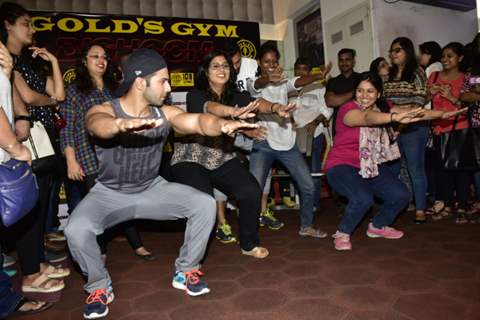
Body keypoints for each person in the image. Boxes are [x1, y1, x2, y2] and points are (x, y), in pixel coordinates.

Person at [64, 48, 259, 319]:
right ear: (140, 82)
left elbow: (197, 121)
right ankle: (98, 286)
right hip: (108, 193)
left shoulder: (164, 113)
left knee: (203, 204)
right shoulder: (104, 108)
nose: (168, 88)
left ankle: (186, 269)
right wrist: (120, 125)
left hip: (151, 189)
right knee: (75, 229)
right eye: (163, 81)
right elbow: (97, 124)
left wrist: (222, 125)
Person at [171, 50, 293, 258]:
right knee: (203, 203)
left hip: (221, 156)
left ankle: (248, 244)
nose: (221, 69)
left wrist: (276, 107)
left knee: (251, 191)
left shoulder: (237, 95)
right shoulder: (196, 95)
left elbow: (256, 103)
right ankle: (189, 258)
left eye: (225, 66)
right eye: (215, 66)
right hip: (191, 157)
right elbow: (211, 108)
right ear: (206, 72)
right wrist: (233, 113)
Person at [325, 72, 465, 251]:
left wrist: (442, 114)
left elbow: (414, 113)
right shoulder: (347, 109)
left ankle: (377, 226)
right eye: (360, 91)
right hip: (341, 166)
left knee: (401, 195)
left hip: (369, 165)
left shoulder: (384, 107)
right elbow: (367, 118)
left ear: (379, 93)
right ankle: (343, 233)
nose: (364, 95)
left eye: (370, 91)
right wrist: (393, 118)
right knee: (363, 198)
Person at [60, 43, 154, 261]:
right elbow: (67, 128)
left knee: (125, 201)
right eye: (95, 56)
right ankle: (100, 251)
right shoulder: (74, 90)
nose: (101, 60)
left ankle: (137, 245)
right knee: (99, 206)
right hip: (88, 156)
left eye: (104, 56)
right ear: (84, 61)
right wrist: (71, 160)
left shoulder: (116, 89)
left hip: (118, 155)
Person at [1, 1, 69, 294]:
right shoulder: (8, 60)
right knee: (28, 203)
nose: (32, 28)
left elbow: (57, 94)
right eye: (25, 23)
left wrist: (53, 62)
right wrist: (36, 106)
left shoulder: (25, 60)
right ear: (7, 25)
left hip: (44, 137)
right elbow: (28, 97)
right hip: (24, 139)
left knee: (39, 204)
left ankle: (36, 262)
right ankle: (31, 268)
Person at [248, 42, 330, 238]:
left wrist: (318, 75)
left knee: (308, 185)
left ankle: (306, 226)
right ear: (260, 63)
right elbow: (257, 85)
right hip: (264, 142)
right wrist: (267, 78)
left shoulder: (284, 82)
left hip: (287, 142)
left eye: (274, 62)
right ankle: (249, 233)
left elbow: (300, 81)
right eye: (266, 62)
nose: (271, 65)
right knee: (252, 190)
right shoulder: (254, 82)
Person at [0, 39, 53, 318]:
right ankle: (28, 275)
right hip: (9, 149)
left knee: (32, 207)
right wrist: (14, 146)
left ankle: (8, 297)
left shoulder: (13, 64)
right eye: (24, 23)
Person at [383, 37, 428, 224]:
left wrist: (402, 124)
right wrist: (393, 125)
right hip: (393, 128)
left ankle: (420, 209)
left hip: (413, 127)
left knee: (414, 167)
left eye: (397, 50)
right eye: (391, 51)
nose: (393, 54)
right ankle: (393, 205)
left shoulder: (417, 72)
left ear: (407, 52)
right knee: (392, 169)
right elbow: (386, 102)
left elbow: (418, 103)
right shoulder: (389, 75)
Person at [290, 57, 333, 212]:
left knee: (313, 171)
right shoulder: (288, 88)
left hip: (314, 135)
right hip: (293, 136)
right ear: (294, 69)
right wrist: (289, 120)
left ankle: (313, 204)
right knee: (298, 171)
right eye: (298, 68)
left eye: (304, 69)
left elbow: (328, 110)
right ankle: (302, 202)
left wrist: (314, 123)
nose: (301, 72)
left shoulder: (318, 88)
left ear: (309, 71)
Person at [324, 48, 362, 136]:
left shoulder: (361, 78)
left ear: (353, 61)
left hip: (359, 126)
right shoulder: (333, 81)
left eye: (347, 59)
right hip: (339, 129)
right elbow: (330, 101)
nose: (344, 63)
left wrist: (339, 98)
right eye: (341, 60)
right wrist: (355, 92)